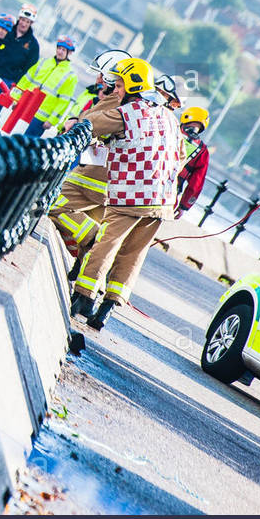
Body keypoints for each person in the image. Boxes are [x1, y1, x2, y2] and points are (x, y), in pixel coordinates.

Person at [65, 57, 186, 330]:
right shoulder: (168, 115)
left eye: (118, 85)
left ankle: (83, 297)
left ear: (131, 85)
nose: (116, 90)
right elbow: (179, 155)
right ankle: (107, 309)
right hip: (163, 199)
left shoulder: (127, 112)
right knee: (133, 254)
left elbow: (90, 123)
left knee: (107, 243)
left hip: (132, 195)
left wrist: (107, 100)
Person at [48, 56, 124, 270]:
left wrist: (74, 122)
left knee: (50, 202)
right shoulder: (128, 103)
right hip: (112, 184)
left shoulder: (115, 100)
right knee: (92, 223)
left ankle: (94, 240)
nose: (98, 78)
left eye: (103, 75)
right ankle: (84, 279)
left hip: (95, 177)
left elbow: (90, 121)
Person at [11, 36, 80, 137]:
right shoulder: (43, 62)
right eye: (59, 48)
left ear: (69, 53)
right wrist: (15, 99)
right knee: (12, 136)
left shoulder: (70, 76)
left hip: (40, 117)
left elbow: (63, 101)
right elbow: (26, 80)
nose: (60, 51)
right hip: (24, 106)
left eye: (63, 50)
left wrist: (51, 120)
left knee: (28, 144)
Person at [175, 106, 210, 216]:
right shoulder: (202, 150)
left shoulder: (168, 129)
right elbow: (196, 183)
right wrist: (183, 206)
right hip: (168, 195)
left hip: (142, 182)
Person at [0, 4, 40, 84]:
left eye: (27, 22)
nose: (24, 24)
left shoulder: (33, 45)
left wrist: (16, 82)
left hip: (8, 82)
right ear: (19, 18)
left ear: (31, 23)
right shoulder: (7, 31)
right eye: (23, 20)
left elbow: (29, 68)